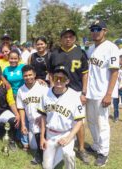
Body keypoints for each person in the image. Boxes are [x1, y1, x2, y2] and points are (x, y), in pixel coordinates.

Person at [48, 28, 89, 164]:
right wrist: (51, 87)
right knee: (58, 116)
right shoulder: (54, 53)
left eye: (71, 36)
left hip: (76, 90)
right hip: (58, 90)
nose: (68, 39)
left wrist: (84, 92)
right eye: (65, 36)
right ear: (61, 39)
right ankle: (59, 141)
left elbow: (84, 73)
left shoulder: (80, 52)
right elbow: (50, 73)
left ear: (74, 39)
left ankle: (81, 148)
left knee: (79, 121)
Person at [85, 20, 119, 167]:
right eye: (93, 29)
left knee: (102, 123)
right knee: (91, 121)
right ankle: (96, 145)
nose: (95, 31)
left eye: (98, 29)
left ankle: (104, 153)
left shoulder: (111, 47)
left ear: (105, 31)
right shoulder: (90, 48)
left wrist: (109, 94)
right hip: (90, 92)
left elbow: (115, 72)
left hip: (102, 93)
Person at [39, 66, 85, 169]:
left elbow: (79, 121)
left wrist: (69, 138)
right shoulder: (45, 94)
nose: (59, 81)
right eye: (56, 78)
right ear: (52, 79)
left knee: (68, 154)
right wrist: (42, 137)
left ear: (67, 81)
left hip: (66, 133)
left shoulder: (74, 96)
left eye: (62, 78)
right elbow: (43, 116)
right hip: (50, 134)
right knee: (47, 167)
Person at [17, 65, 48, 165]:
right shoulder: (21, 90)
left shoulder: (43, 87)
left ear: (34, 75)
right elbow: (21, 108)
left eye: (30, 75)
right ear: (23, 76)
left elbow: (50, 104)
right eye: (25, 75)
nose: (28, 77)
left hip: (43, 120)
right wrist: (23, 124)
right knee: (33, 146)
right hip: (31, 122)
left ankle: (40, 156)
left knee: (41, 144)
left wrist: (44, 116)